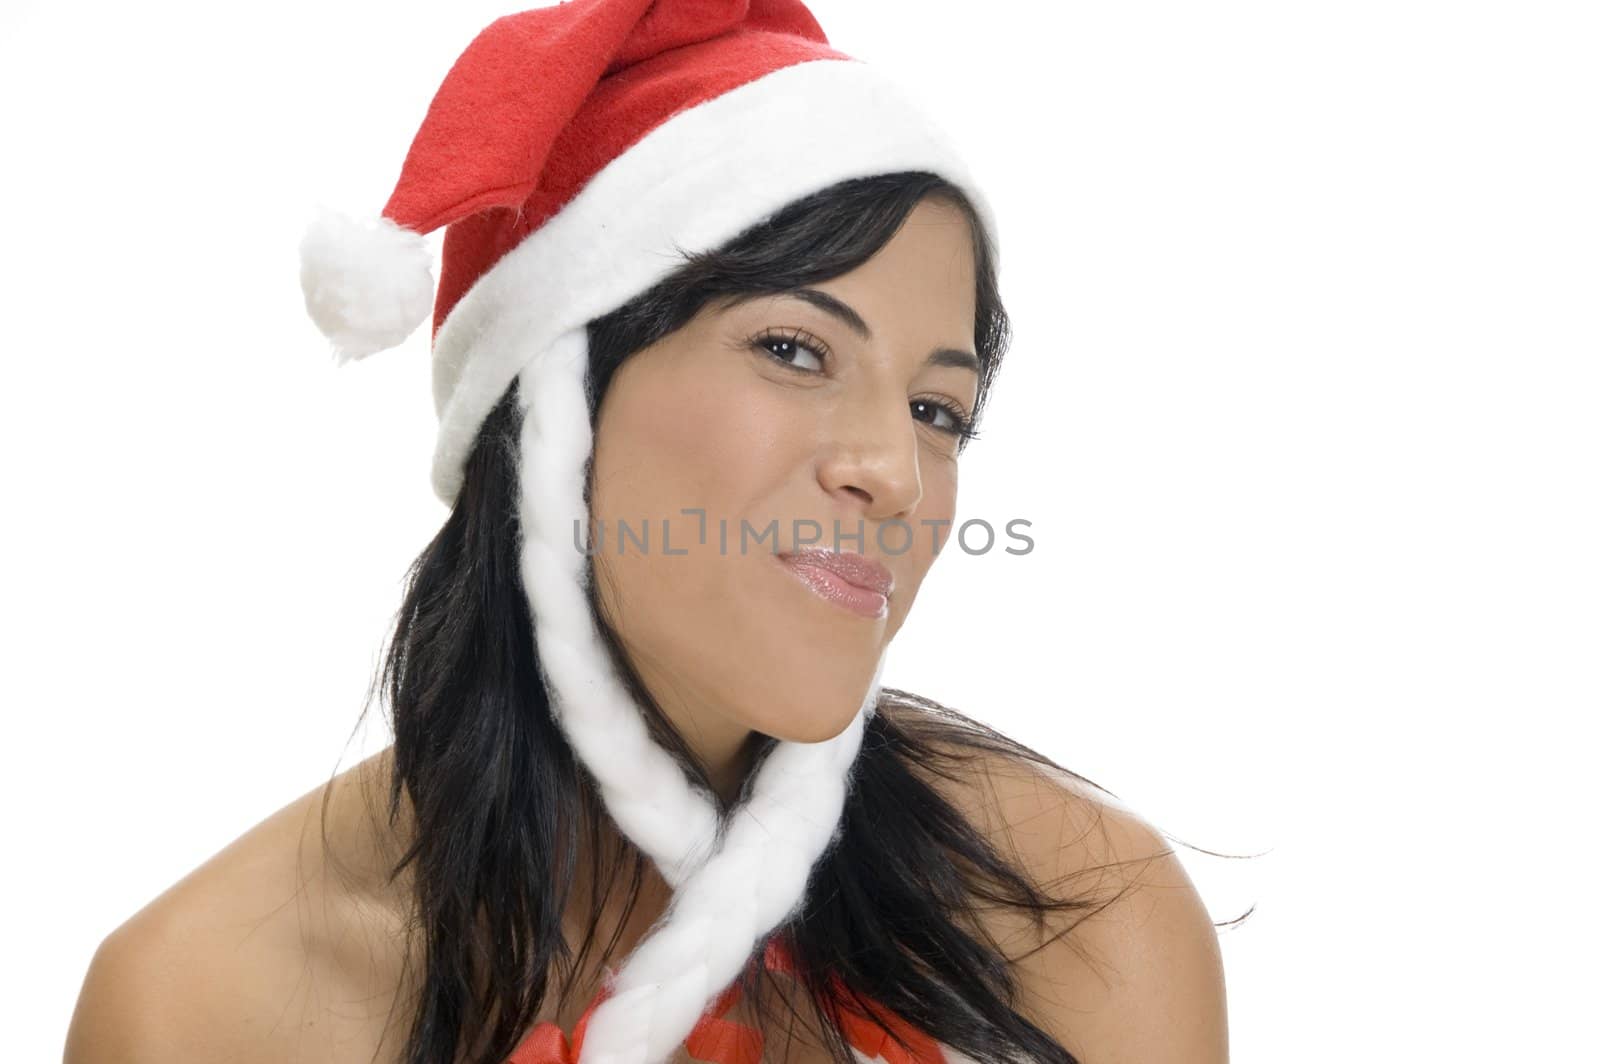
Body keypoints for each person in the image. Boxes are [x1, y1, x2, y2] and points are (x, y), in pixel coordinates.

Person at [64, 3, 1228, 1063]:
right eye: (793, 349)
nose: (889, 469)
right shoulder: (202, 1004)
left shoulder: (1082, 917)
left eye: (937, 410)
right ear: (552, 409)